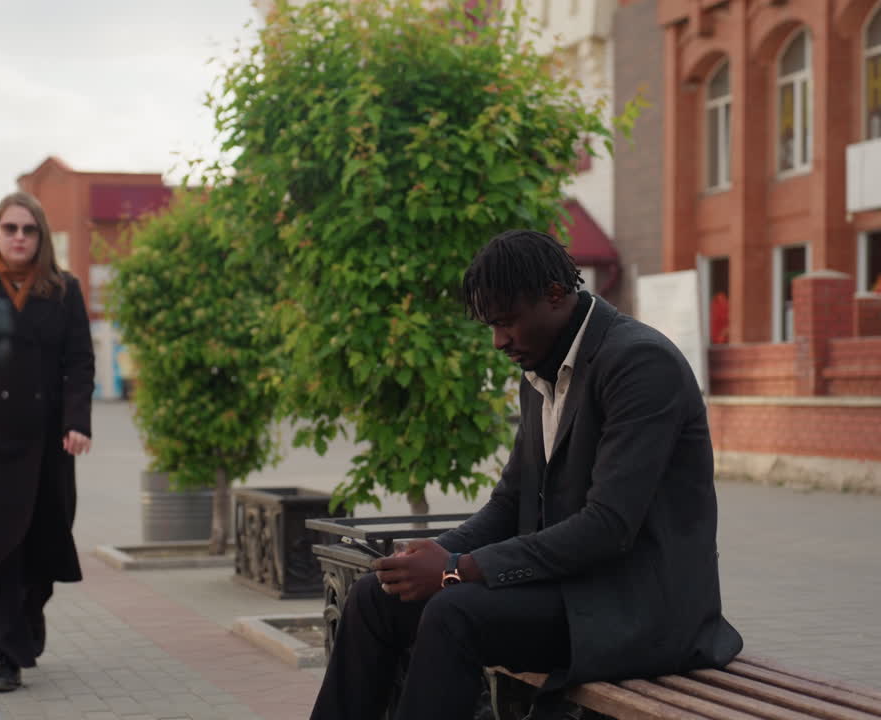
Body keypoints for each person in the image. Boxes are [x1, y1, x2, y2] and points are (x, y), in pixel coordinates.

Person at [309, 229, 743, 720]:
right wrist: (428, 557)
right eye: (491, 326)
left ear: (555, 296)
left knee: (454, 612)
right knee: (374, 597)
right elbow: (509, 504)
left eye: (507, 322)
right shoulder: (540, 369)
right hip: (571, 591)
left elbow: (608, 526)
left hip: (638, 608)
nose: (498, 342)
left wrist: (456, 571)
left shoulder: (640, 363)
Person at [0, 191, 95, 693]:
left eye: (28, 229)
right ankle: (5, 656)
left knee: (42, 546)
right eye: (9, 228)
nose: (18, 237)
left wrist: (77, 421)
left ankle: (26, 627)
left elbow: (79, 363)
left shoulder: (63, 291)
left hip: (48, 443)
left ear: (40, 237)